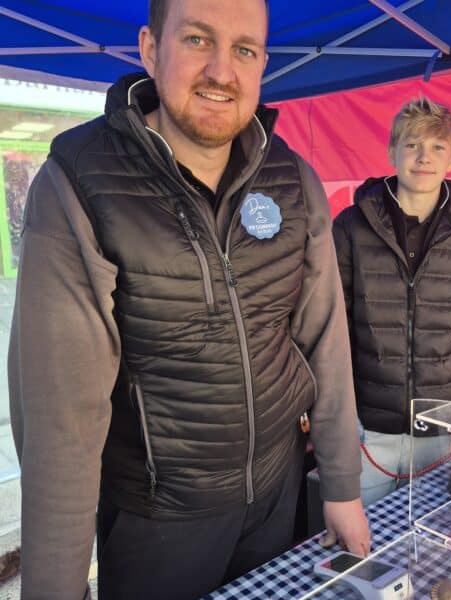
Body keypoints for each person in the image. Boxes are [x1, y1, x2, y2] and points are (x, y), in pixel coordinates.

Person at [8, 1, 370, 598]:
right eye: (198, 40)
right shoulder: (80, 183)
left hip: (277, 503)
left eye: (244, 50)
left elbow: (325, 343)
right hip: (159, 524)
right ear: (151, 49)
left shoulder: (293, 179)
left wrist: (342, 485)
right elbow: (61, 422)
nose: (222, 71)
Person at [333, 97, 451, 506]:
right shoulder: (352, 225)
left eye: (437, 148)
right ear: (393, 151)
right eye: (412, 145)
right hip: (368, 429)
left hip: (441, 425)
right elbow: (332, 321)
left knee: (430, 542)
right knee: (363, 549)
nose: (423, 158)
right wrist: (333, 407)